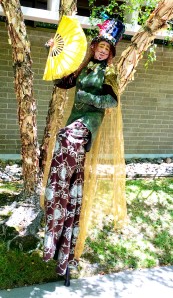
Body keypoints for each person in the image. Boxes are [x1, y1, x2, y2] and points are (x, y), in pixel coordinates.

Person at [43, 17, 125, 287]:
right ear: (95, 47)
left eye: (107, 49)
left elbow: (111, 101)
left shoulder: (109, 73)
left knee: (65, 139)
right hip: (73, 120)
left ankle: (59, 196)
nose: (102, 51)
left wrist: (89, 98)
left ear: (111, 54)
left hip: (88, 123)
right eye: (100, 46)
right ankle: (61, 237)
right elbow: (64, 83)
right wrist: (53, 54)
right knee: (68, 168)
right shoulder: (85, 65)